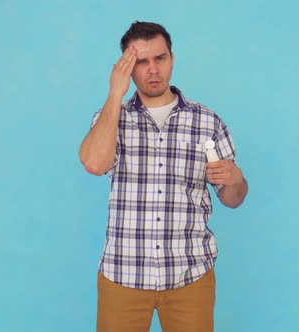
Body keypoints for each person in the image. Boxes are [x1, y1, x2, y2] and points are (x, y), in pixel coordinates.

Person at [79, 21, 248, 332]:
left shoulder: (207, 122)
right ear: (126, 69)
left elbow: (233, 199)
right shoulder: (111, 119)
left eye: (160, 58)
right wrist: (115, 94)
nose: (152, 70)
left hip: (189, 274)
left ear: (172, 58)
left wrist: (235, 179)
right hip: (124, 274)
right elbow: (94, 163)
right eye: (141, 62)